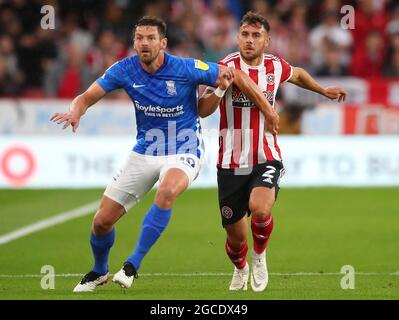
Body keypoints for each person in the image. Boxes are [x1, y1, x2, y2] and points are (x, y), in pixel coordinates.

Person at [50, 15, 279, 292]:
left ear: (163, 43)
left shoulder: (185, 67)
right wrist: (75, 112)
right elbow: (86, 97)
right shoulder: (124, 69)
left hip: (184, 149)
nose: (144, 43)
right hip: (145, 150)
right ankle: (99, 271)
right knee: (101, 222)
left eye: (150, 38)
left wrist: (267, 109)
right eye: (139, 38)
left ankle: (132, 265)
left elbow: (237, 75)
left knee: (167, 192)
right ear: (134, 43)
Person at [198, 11, 347, 292]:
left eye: (256, 36)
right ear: (237, 37)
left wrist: (322, 90)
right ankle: (240, 266)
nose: (249, 40)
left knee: (260, 208)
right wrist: (219, 90)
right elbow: (202, 111)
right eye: (245, 34)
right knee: (235, 238)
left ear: (267, 40)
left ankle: (259, 255)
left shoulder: (275, 66)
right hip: (230, 161)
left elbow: (298, 74)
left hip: (267, 155)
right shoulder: (224, 66)